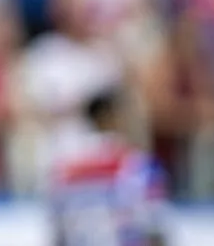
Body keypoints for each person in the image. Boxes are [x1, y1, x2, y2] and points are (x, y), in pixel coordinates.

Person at [47, 89, 169, 246]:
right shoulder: (139, 166)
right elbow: (154, 229)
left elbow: (58, 234)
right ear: (110, 117)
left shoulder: (63, 169)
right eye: (129, 114)